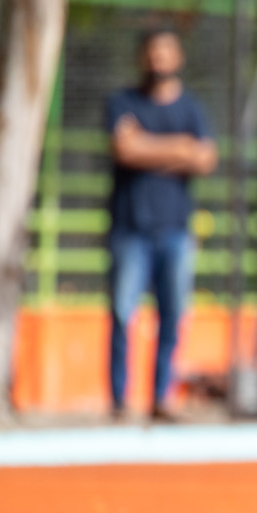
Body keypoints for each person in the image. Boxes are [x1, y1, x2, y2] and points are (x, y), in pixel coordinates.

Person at [105, 28, 217, 421]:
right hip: (130, 227)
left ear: (179, 57)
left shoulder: (192, 108)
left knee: (173, 315)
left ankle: (161, 397)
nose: (159, 60)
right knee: (122, 313)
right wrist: (179, 149)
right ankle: (119, 400)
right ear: (142, 57)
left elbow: (205, 159)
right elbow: (124, 149)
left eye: (167, 52)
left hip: (176, 230)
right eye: (153, 52)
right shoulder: (122, 102)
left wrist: (146, 147)